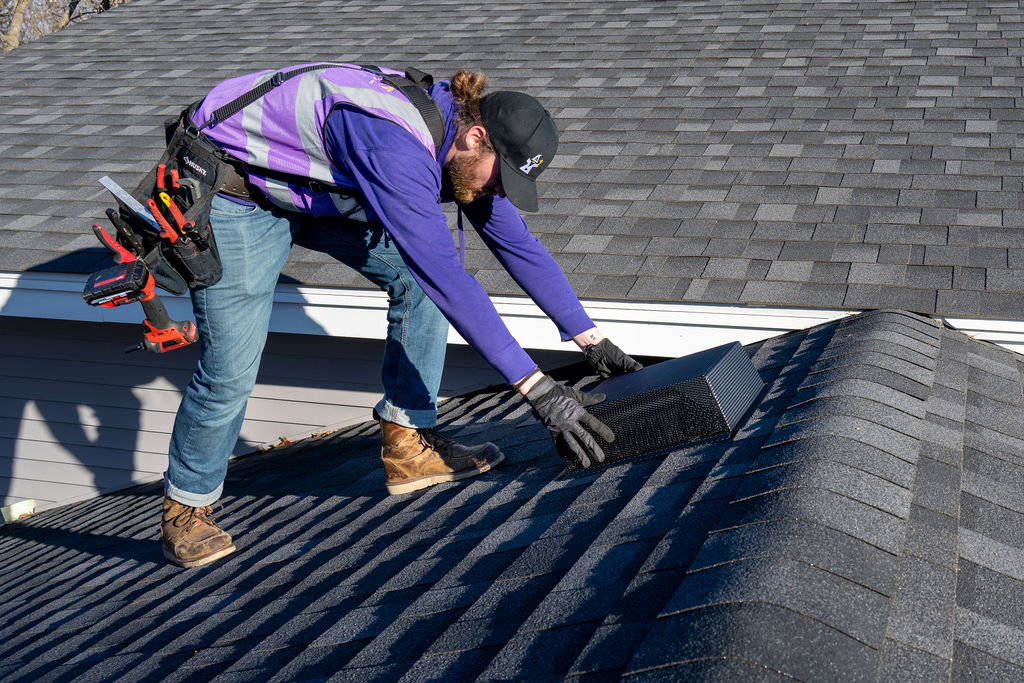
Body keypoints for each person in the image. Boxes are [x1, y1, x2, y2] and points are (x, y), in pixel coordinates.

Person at [158, 63, 642, 568]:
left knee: (418, 284)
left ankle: (407, 443)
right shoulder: (393, 144)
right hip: (238, 190)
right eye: (503, 178)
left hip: (313, 183)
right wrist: (538, 391)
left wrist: (592, 341)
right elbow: (448, 277)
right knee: (231, 365)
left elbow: (516, 243)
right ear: (477, 137)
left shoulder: (461, 148)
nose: (500, 193)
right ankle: (186, 507)